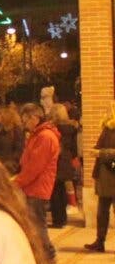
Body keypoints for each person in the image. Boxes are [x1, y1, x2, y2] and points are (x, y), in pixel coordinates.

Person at [13, 103, 59, 264]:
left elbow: (35, 167)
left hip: (38, 188)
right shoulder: (37, 135)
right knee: (34, 223)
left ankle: (49, 256)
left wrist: (17, 182)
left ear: (34, 118)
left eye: (25, 119)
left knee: (38, 224)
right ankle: (40, 255)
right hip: (32, 186)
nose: (24, 123)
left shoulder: (45, 137)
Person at [85, 104, 115, 253]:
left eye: (110, 110)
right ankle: (99, 241)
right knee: (102, 213)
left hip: (112, 175)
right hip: (104, 177)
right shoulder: (107, 128)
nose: (107, 112)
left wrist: (101, 153)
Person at [47, 104, 78, 228]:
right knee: (62, 190)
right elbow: (74, 148)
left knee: (55, 192)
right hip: (66, 160)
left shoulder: (53, 129)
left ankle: (57, 220)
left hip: (56, 160)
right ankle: (63, 218)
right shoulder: (71, 128)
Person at [0, 104, 25, 175]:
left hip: (9, 167)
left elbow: (19, 150)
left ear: (5, 116)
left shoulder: (16, 131)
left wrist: (10, 164)